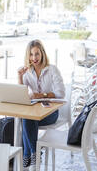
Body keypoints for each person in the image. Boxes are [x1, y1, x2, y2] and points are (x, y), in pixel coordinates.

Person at [18, 39, 65, 170]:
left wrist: (41, 95)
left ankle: (28, 156)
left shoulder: (52, 70)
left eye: (37, 54)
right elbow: (21, 95)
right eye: (31, 54)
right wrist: (20, 77)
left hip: (51, 112)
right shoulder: (27, 72)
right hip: (34, 112)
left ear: (42, 53)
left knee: (26, 119)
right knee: (27, 117)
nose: (34, 58)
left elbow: (61, 93)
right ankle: (34, 155)